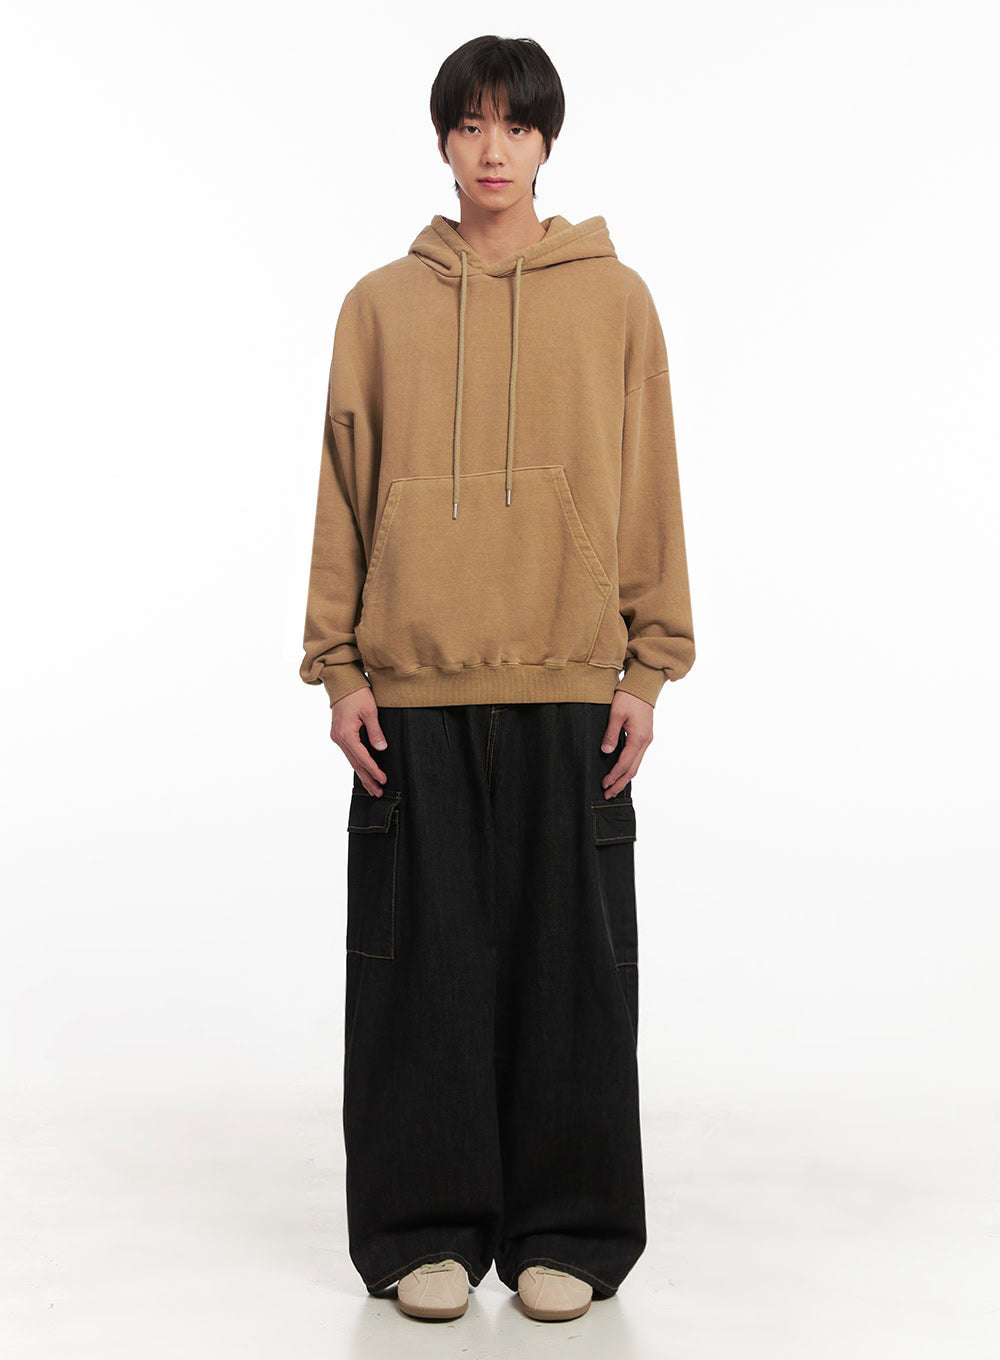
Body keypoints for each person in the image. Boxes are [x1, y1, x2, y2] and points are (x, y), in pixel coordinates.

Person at [299, 33, 695, 1324]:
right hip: (412, 688)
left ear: (546, 141)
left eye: (514, 126)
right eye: (469, 125)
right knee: (418, 975)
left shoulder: (616, 301)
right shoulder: (378, 307)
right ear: (442, 140)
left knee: (570, 973)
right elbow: (344, 492)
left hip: (571, 679)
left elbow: (648, 484)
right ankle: (424, 1226)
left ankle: (566, 1230)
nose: (492, 150)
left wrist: (649, 664)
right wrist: (338, 667)